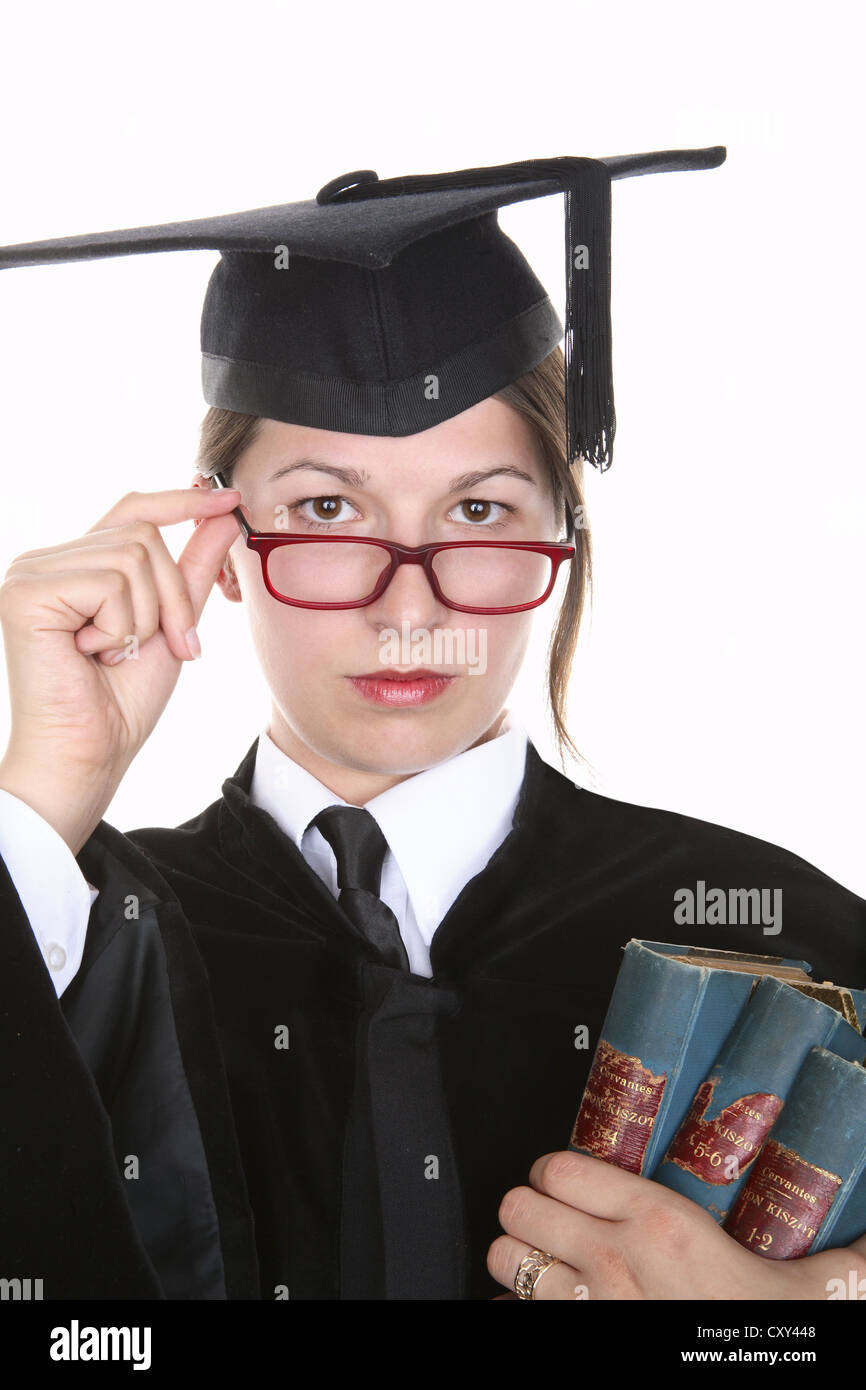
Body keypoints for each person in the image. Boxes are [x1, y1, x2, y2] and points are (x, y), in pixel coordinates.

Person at [0, 152, 863, 1302]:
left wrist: (798, 1318)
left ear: (562, 540)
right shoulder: (64, 930)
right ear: (220, 547)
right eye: (325, 507)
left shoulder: (779, 934)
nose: (409, 608)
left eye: (476, 510)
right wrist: (43, 798)